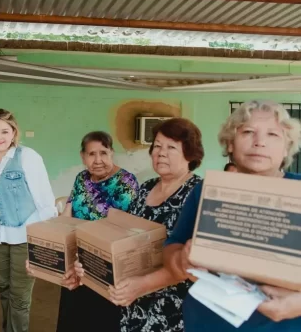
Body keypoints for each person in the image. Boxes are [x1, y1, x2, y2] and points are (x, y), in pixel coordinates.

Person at [164, 100, 301, 332]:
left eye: (273, 135)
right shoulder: (207, 190)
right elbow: (172, 249)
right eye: (248, 132)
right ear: (229, 143)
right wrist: (182, 260)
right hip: (207, 322)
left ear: (287, 147)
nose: (260, 142)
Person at [94, 118, 204, 332]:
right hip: (135, 303)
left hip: (175, 309)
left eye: (171, 147)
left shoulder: (197, 193)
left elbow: (190, 262)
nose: (161, 152)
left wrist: (142, 285)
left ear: (190, 154)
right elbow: (125, 240)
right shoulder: (145, 188)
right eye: (157, 146)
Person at [47, 131, 139, 331]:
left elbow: (118, 229)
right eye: (91, 154)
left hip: (105, 267)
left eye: (103, 153)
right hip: (76, 265)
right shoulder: (82, 179)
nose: (98, 160)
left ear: (112, 153)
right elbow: (67, 215)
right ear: (83, 157)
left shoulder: (125, 182)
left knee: (100, 322)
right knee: (73, 320)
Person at [0, 108, 57, 332]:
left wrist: (44, 239)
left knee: (20, 297)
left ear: (14, 133)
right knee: (4, 290)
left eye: (5, 131)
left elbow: (45, 200)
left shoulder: (28, 157)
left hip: (24, 237)